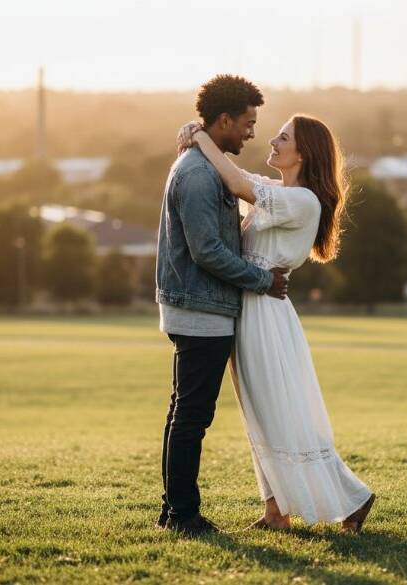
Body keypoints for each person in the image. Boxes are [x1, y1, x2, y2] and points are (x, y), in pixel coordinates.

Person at [177, 112, 375, 533]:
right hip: (251, 306)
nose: (272, 141)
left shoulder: (303, 201)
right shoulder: (282, 192)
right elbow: (240, 176)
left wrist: (199, 136)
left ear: (303, 152)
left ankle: (352, 497)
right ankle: (275, 512)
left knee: (275, 411)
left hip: (265, 312)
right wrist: (198, 139)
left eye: (282, 137)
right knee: (258, 413)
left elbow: (236, 183)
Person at [155, 74, 289, 536]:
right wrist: (262, 281)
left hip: (203, 307)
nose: (252, 133)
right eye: (248, 123)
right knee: (192, 414)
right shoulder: (196, 175)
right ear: (224, 120)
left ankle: (173, 510)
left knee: (185, 411)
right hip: (200, 310)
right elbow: (206, 251)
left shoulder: (205, 166)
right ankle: (183, 516)